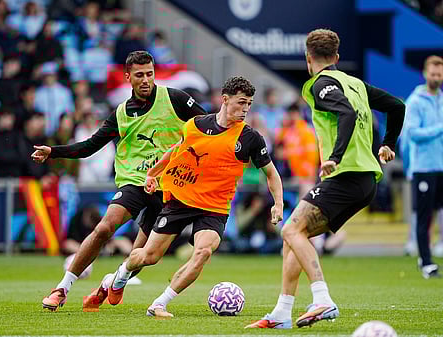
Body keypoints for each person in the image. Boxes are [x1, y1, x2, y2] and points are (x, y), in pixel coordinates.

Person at [246, 29, 405, 330]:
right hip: (365, 179)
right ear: (336, 58)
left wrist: (335, 156)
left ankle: (322, 298)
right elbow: (397, 106)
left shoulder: (320, 85)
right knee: (295, 236)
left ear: (308, 59)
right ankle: (282, 312)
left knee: (291, 230)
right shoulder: (354, 83)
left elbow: (344, 114)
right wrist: (389, 143)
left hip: (346, 174)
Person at [31, 50, 206, 311]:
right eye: (139, 75)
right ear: (128, 78)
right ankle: (62, 289)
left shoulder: (176, 99)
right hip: (135, 181)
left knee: (144, 257)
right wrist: (54, 151)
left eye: (150, 73)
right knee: (104, 228)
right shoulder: (121, 113)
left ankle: (111, 283)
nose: (146, 79)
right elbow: (91, 145)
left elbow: (207, 127)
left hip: (169, 188)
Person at [100, 76, 283, 318]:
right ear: (225, 100)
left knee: (203, 252)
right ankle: (121, 275)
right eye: (241, 103)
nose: (245, 109)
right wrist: (153, 173)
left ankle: (159, 304)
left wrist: (278, 204)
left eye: (249, 104)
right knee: (148, 256)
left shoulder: (250, 138)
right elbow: (175, 151)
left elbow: (271, 173)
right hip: (180, 201)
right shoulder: (195, 125)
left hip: (214, 208)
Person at [403, 55, 443, 278]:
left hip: (440, 166)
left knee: (436, 214)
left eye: (439, 74)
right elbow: (413, 134)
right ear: (425, 73)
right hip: (424, 167)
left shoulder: (441, 99)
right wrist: (440, 128)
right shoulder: (415, 102)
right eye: (433, 73)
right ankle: (425, 261)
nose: (436, 77)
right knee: (424, 216)